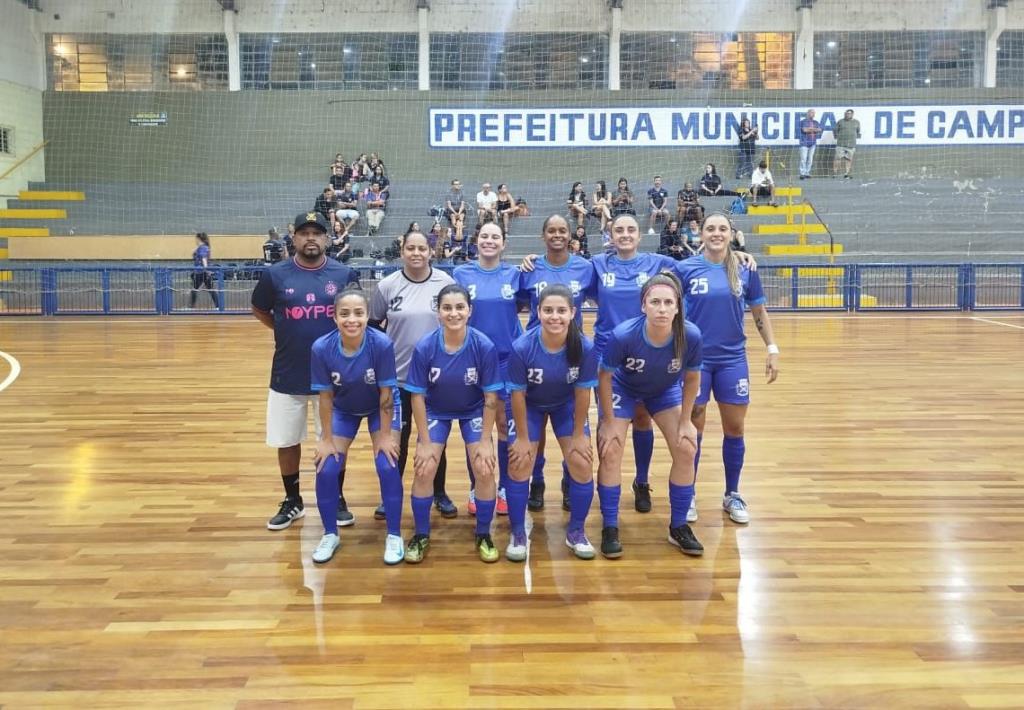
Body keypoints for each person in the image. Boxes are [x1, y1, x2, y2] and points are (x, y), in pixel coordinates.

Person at [251, 211, 362, 531]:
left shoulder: (343, 274)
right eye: (304, 233)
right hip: (288, 372)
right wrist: (285, 330)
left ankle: (335, 496)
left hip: (334, 376)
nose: (310, 238)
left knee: (334, 440)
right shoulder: (275, 274)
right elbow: (260, 309)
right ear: (294, 238)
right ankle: (293, 500)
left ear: (327, 238)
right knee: (287, 440)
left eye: (317, 232)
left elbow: (354, 315)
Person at [674, 212, 779, 526]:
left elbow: (759, 311)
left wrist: (772, 348)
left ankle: (732, 493)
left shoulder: (745, 268)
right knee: (694, 430)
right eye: (710, 228)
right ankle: (687, 493)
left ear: (731, 234)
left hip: (733, 360)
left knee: (735, 429)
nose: (716, 233)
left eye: (722, 229)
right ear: (700, 234)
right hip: (696, 363)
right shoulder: (685, 269)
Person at [596, 272, 704, 558]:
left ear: (678, 307)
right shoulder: (623, 335)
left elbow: (692, 379)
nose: (662, 308)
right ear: (643, 305)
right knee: (610, 449)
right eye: (655, 301)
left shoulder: (689, 335)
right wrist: (607, 422)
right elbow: (604, 376)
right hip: (624, 387)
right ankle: (609, 526)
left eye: (669, 302)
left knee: (686, 447)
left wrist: (685, 422)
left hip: (664, 390)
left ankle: (678, 525)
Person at [403, 284, 504, 563]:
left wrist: (485, 440)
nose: (454, 313)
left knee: (484, 468)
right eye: (447, 307)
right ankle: (421, 534)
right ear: (438, 312)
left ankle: (483, 533)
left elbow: (491, 397)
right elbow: (417, 398)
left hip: (473, 410)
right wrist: (423, 442)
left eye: (460, 307)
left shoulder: (483, 345)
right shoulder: (425, 347)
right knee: (424, 469)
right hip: (436, 410)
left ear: (470, 311)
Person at [587, 214, 679, 515]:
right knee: (610, 431)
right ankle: (608, 511)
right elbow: (568, 279)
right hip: (610, 361)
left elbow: (698, 265)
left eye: (631, 230)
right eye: (619, 230)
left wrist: (736, 252)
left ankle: (641, 481)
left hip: (649, 355)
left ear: (640, 236)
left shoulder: (656, 263)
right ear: (610, 236)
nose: (625, 235)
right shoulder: (597, 265)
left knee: (642, 419)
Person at [309, 288, 404, 565]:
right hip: (344, 408)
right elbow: (325, 398)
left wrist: (385, 436)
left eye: (359, 313)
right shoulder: (321, 348)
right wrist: (326, 439)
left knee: (387, 463)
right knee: (326, 466)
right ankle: (330, 534)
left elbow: (387, 393)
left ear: (366, 316)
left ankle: (395, 535)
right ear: (334, 317)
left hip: (379, 406)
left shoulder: (381, 343)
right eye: (345, 314)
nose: (352, 320)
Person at [368, 230, 459, 519]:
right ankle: (390, 495)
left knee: (434, 438)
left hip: (437, 379)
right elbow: (372, 326)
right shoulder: (387, 285)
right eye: (411, 248)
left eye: (422, 248)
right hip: (398, 379)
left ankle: (439, 492)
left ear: (430, 252)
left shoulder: (446, 283)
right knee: (398, 438)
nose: (417, 253)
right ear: (402, 250)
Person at [507, 285, 599, 561]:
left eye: (561, 311)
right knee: (520, 461)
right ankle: (518, 532)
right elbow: (518, 396)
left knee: (582, 462)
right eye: (548, 310)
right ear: (538, 312)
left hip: (565, 406)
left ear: (573, 312)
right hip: (530, 407)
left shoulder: (585, 346)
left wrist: (580, 435)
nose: (554, 317)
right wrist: (523, 438)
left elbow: (583, 393)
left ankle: (576, 532)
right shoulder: (522, 347)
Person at [517, 215, 597, 511]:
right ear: (543, 235)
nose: (557, 235)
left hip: (572, 352)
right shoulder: (530, 268)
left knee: (572, 426)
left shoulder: (585, 268)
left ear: (571, 235)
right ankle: (536, 481)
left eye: (562, 230)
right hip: (534, 353)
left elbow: (611, 295)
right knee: (533, 427)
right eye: (551, 230)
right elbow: (512, 303)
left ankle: (568, 481)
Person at [453, 222, 522, 517]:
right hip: (473, 362)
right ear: (476, 241)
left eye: (495, 237)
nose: (489, 241)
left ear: (503, 243)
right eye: (484, 236)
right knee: (477, 427)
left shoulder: (516, 275)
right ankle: (477, 484)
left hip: (507, 361)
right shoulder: (461, 274)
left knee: (506, 425)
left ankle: (505, 486)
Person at [189, 232, 220, 309]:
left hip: (201, 272)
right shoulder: (202, 247)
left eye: (196, 239)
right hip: (201, 272)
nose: (195, 240)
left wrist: (206, 268)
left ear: (199, 239)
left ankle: (191, 307)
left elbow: (204, 259)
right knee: (210, 289)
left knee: (195, 289)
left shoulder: (203, 248)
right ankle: (218, 306)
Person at [833, 109, 861, 179]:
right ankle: (835, 173)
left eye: (849, 113)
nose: (848, 114)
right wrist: (838, 137)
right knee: (837, 158)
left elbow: (858, 131)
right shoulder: (840, 122)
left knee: (849, 159)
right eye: (846, 113)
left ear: (852, 114)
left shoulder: (856, 122)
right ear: (844, 114)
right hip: (841, 144)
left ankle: (846, 173)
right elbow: (835, 130)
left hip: (851, 144)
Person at [799, 108, 822, 180]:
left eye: (814, 113)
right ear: (808, 113)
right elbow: (804, 130)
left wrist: (810, 129)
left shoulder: (816, 122)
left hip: (813, 143)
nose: (813, 114)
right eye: (812, 112)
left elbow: (819, 129)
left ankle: (807, 173)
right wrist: (814, 129)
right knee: (803, 158)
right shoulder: (803, 121)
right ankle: (802, 173)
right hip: (804, 142)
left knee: (810, 159)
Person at [444, 179, 467, 243]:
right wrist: (455, 212)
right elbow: (449, 205)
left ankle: (459, 232)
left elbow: (462, 205)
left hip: (460, 210)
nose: (458, 185)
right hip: (452, 210)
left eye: (458, 184)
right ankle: (456, 232)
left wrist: (459, 213)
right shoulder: (448, 193)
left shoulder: (462, 192)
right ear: (452, 185)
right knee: (453, 216)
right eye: (456, 184)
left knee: (461, 217)